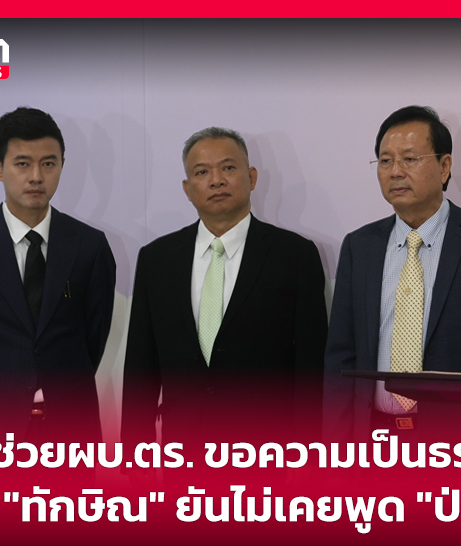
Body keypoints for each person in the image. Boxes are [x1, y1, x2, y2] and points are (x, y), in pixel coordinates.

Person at [0, 107, 116, 473]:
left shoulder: (89, 247)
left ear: (62, 165)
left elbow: (93, 338)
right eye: (22, 163)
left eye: (48, 163)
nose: (36, 176)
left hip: (71, 437)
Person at [120, 127, 328, 455]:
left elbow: (312, 367)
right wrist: (135, 453)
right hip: (182, 452)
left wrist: (309, 453)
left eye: (228, 168)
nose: (216, 180)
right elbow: (140, 366)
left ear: (252, 177)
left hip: (269, 452)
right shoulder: (157, 259)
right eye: (202, 172)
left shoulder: (295, 256)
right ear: (188, 189)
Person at [324, 106, 461, 441]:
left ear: (444, 166)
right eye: (385, 161)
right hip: (373, 436)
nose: (395, 172)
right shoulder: (360, 247)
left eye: (410, 159)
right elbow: (341, 358)